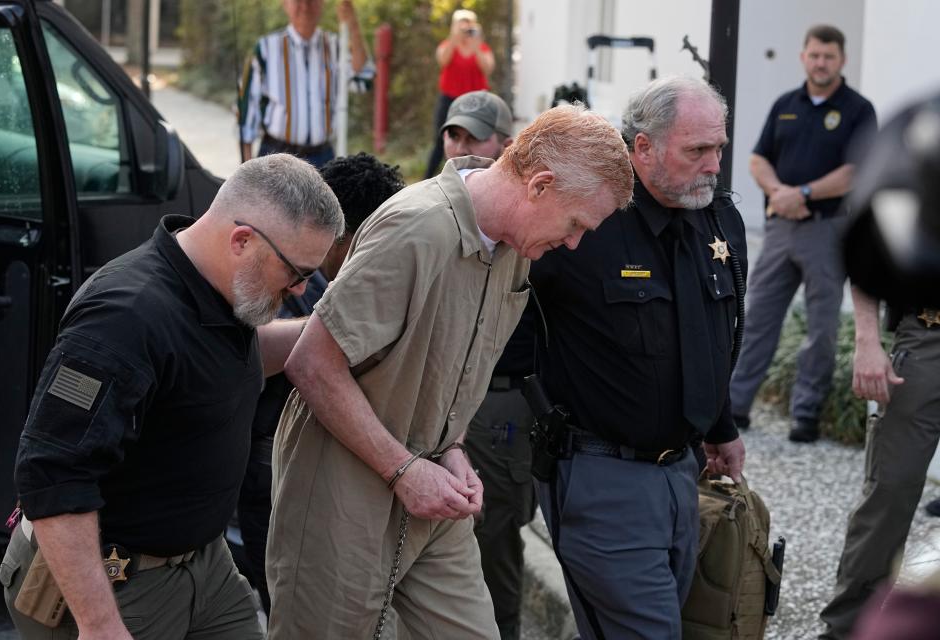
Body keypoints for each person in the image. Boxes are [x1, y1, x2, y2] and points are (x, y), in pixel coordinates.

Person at [265, 104, 634, 639]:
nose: (574, 243)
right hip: (341, 493)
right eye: (576, 224)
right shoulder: (415, 227)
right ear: (540, 185)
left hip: (431, 486)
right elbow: (312, 363)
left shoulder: (516, 246)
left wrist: (454, 449)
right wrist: (402, 470)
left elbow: (458, 364)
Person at [0, 154, 344, 640]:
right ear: (242, 240)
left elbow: (219, 365)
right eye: (296, 272)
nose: (301, 289)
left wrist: (333, 332)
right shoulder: (125, 318)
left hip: (204, 565)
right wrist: (100, 625)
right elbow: (52, 473)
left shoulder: (220, 287)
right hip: (113, 583)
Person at [529, 75, 747, 638]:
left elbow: (714, 332)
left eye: (719, 147)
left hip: (684, 472)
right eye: (697, 150)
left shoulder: (720, 219)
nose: (714, 164)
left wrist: (720, 426)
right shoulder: (588, 218)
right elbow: (506, 327)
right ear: (642, 148)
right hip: (603, 477)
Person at [236, 152, 405, 615]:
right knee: (290, 604)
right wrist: (338, 328)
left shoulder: (343, 280)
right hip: (270, 468)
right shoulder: (287, 276)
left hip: (327, 475)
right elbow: (252, 347)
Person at [818, 92, 940, 640]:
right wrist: (867, 341)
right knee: (890, 492)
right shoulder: (922, 142)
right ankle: (846, 627)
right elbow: (868, 233)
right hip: (927, 337)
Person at [729, 24, 876, 443]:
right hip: (780, 229)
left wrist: (805, 193)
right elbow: (758, 159)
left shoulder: (857, 110)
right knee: (756, 319)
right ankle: (736, 406)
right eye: (814, 55)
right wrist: (779, 192)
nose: (821, 62)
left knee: (821, 328)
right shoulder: (785, 105)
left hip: (826, 231)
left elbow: (855, 171)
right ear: (803, 57)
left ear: (842, 60)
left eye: (829, 56)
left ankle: (805, 414)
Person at [439, 89, 531, 640]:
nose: (460, 144)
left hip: (502, 400)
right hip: (442, 401)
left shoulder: (526, 218)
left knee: (494, 536)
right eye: (454, 133)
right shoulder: (429, 203)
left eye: (474, 136)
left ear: (505, 143)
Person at [238, 0, 373, 167]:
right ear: (285, 4)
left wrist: (352, 24)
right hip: (275, 157)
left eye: (312, 0)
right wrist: (247, 172)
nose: (305, 6)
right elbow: (246, 115)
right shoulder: (266, 49)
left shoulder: (335, 46)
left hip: (322, 158)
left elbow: (363, 79)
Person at [424, 9, 495, 178]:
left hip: (476, 101)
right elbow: (443, 60)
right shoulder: (448, 45)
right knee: (441, 141)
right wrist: (454, 38)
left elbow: (488, 69)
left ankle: (477, 177)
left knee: (477, 140)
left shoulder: (482, 48)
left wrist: (476, 44)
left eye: (468, 23)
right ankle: (428, 178)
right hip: (449, 98)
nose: (465, 27)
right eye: (461, 23)